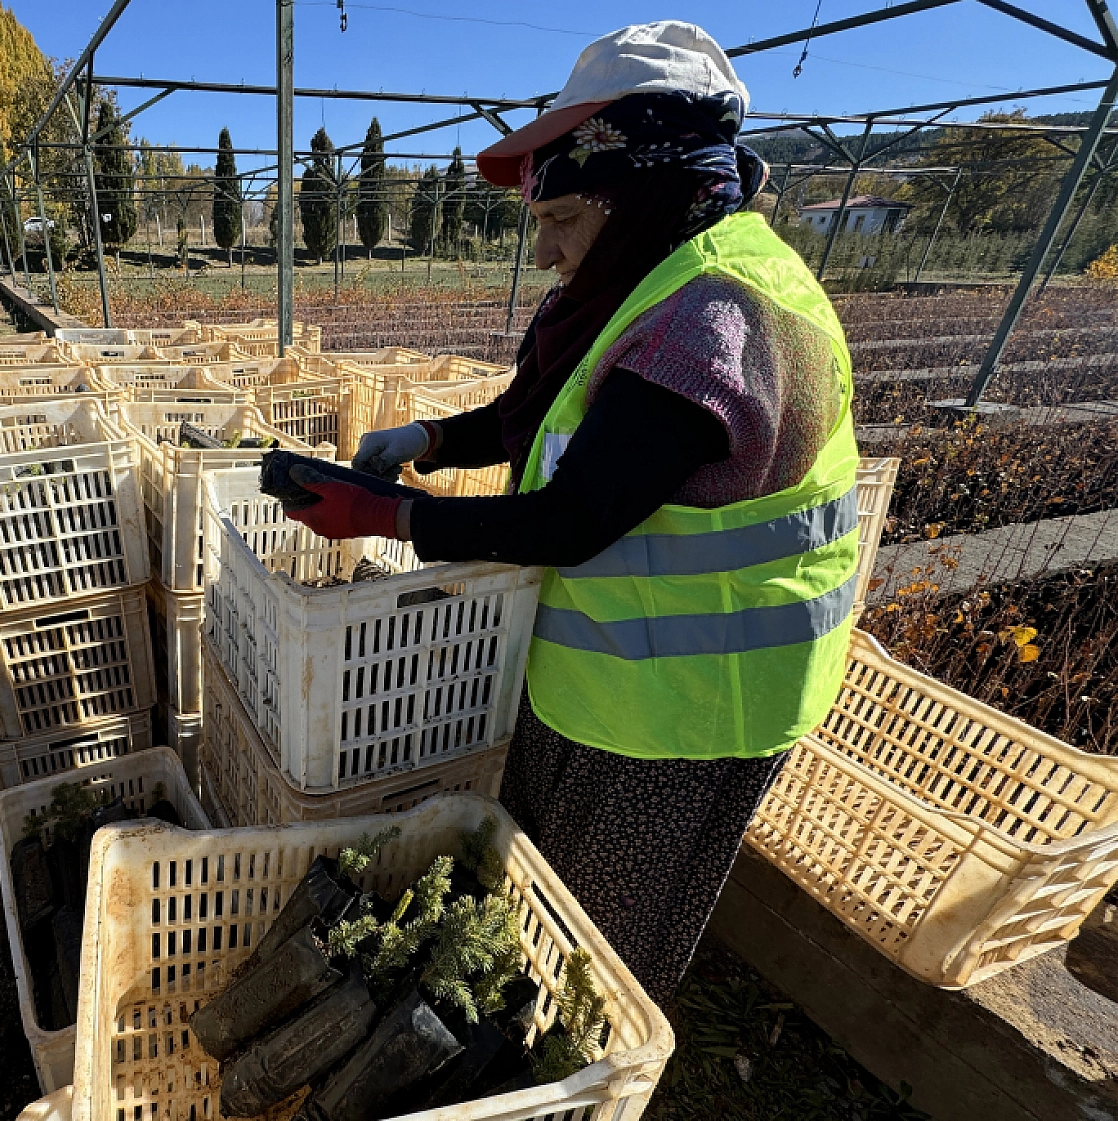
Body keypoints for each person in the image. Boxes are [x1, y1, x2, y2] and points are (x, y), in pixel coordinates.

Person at [283, 21, 859, 1009]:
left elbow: (573, 517)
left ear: (641, 189)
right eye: (537, 220)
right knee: (534, 890)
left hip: (690, 709)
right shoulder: (646, 276)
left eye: (562, 219)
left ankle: (578, 1065)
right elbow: (541, 417)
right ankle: (503, 1022)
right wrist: (426, 438)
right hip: (606, 671)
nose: (544, 249)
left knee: (599, 949)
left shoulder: (715, 314)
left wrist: (390, 516)